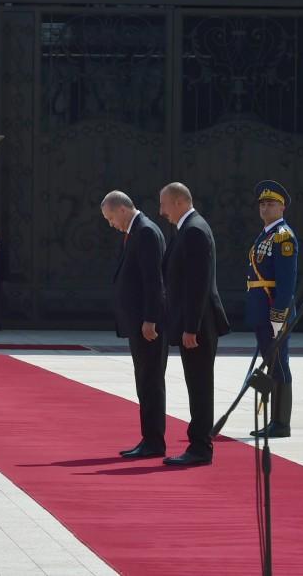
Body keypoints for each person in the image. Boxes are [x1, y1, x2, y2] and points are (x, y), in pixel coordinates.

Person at [159, 182, 230, 466]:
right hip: (194, 322)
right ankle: (198, 443)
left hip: (199, 325)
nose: (161, 211)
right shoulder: (188, 229)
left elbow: (198, 285)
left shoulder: (194, 230)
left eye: (164, 204)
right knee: (196, 383)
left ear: (179, 202)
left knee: (200, 385)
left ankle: (200, 447)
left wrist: (191, 327)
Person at [101, 191, 167, 458]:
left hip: (146, 324)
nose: (111, 224)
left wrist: (150, 319)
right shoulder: (136, 232)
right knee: (145, 380)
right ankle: (149, 438)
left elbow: (154, 281)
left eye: (110, 218)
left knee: (150, 380)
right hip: (138, 322)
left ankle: (154, 441)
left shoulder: (146, 232)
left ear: (122, 209)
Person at [246, 180, 298, 438]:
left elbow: (286, 283)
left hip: (274, 312)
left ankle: (281, 423)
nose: (265, 208)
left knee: (278, 364)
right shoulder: (266, 234)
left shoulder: (283, 236)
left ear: (282, 207)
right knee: (273, 364)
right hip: (262, 310)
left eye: (271, 204)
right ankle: (275, 420)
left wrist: (279, 315)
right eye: (262, 204)